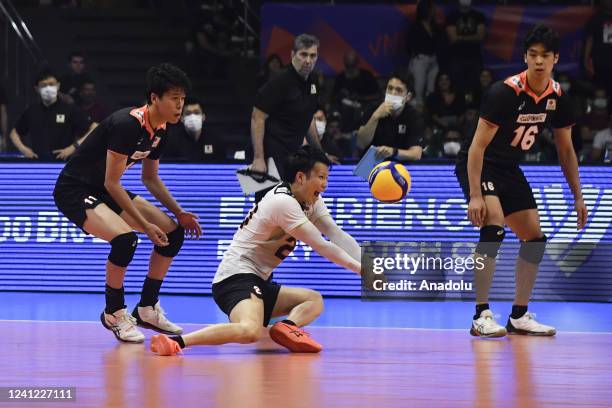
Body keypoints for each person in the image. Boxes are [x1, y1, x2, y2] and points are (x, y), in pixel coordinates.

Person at [149, 147, 362, 356]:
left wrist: (367, 264)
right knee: (250, 331)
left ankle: (286, 327)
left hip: (259, 280)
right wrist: (361, 271)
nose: (325, 185)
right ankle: (176, 342)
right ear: (300, 177)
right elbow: (322, 245)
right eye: (321, 177)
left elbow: (336, 234)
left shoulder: (311, 200)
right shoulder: (282, 202)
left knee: (313, 300)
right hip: (235, 278)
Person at [53, 63, 202, 343]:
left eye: (183, 99)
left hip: (104, 189)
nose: (180, 105)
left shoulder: (162, 130)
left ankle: (147, 307)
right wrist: (145, 226)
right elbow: (112, 183)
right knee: (125, 240)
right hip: (75, 189)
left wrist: (179, 212)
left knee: (173, 233)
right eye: (174, 98)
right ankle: (114, 312)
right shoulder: (127, 124)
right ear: (154, 98)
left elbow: (151, 179)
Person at [455, 24, 588, 337]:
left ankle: (519, 315)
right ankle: (481, 314)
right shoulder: (505, 92)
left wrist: (578, 196)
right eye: (532, 55)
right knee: (493, 227)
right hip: (480, 162)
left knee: (534, 238)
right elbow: (476, 147)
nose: (538, 61)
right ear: (525, 57)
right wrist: (475, 195)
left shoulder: (558, 98)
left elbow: (566, 151)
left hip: (509, 167)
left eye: (545, 56)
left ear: (555, 59)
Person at [250, 33, 325, 202]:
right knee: (264, 210)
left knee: (289, 208)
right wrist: (258, 158)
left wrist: (320, 152)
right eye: (303, 54)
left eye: (312, 55)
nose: (308, 60)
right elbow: (257, 116)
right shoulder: (280, 80)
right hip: (268, 154)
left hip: (291, 156)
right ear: (293, 55)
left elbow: (307, 118)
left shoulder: (312, 80)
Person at [9, 69, 96, 161]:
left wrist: (74, 147)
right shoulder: (31, 111)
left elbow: (94, 127)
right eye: (43, 85)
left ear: (58, 86)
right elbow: (14, 133)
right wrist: (24, 149)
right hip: (37, 164)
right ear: (37, 88)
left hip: (63, 163)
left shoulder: (69, 109)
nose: (48, 88)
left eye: (51, 84)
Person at [356, 73, 425, 161]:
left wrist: (393, 152)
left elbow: (416, 154)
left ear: (408, 97)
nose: (393, 93)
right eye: (390, 88)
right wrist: (375, 117)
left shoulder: (414, 116)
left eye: (399, 90)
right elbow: (360, 144)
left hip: (402, 167)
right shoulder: (372, 109)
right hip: (373, 164)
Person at [164, 97, 224, 161]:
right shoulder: (171, 143)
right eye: (188, 113)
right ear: (181, 118)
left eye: (196, 112)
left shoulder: (215, 140)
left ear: (203, 117)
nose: (193, 116)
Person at [445, 0, 486, 92]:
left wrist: (459, 37)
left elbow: (480, 37)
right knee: (456, 85)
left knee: (476, 84)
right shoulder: (452, 16)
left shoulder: (478, 16)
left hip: (474, 57)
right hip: (456, 57)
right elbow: (452, 38)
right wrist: (473, 37)